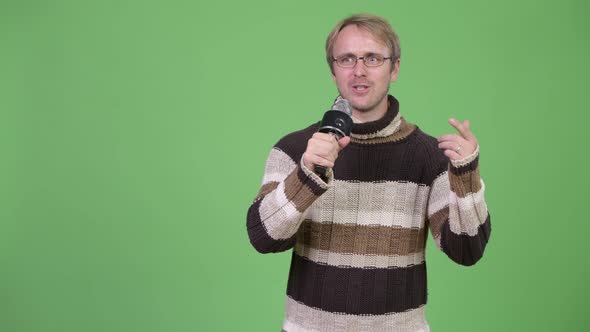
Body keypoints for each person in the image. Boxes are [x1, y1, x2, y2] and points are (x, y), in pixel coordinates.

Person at [246, 13, 491, 332]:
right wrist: (307, 175)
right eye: (347, 59)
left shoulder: (429, 157)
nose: (359, 71)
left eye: (372, 58)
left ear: (395, 68)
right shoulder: (295, 149)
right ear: (333, 70)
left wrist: (466, 177)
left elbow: (466, 250)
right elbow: (263, 238)